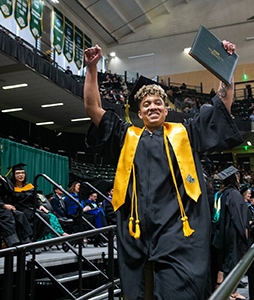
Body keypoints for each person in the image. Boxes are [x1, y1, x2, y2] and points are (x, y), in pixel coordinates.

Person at [84, 41, 243, 300]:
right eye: (146, 104)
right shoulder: (127, 137)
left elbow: (221, 105)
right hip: (135, 233)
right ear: (139, 112)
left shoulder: (186, 134)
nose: (152, 107)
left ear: (166, 110)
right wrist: (92, 68)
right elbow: (93, 110)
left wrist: (225, 66)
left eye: (157, 102)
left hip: (179, 233)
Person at [212, 166, 248, 300]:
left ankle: (230, 291)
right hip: (232, 233)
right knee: (232, 263)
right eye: (237, 177)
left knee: (225, 262)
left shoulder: (221, 193)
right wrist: (244, 234)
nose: (239, 180)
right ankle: (232, 292)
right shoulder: (233, 194)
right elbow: (238, 217)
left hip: (222, 232)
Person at [8, 163, 68, 241]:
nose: (21, 175)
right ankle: (61, 237)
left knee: (48, 216)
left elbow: (36, 198)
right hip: (19, 209)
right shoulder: (10, 187)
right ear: (13, 175)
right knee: (41, 217)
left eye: (22, 173)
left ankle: (39, 238)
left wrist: (40, 205)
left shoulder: (29, 186)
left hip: (31, 208)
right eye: (18, 173)